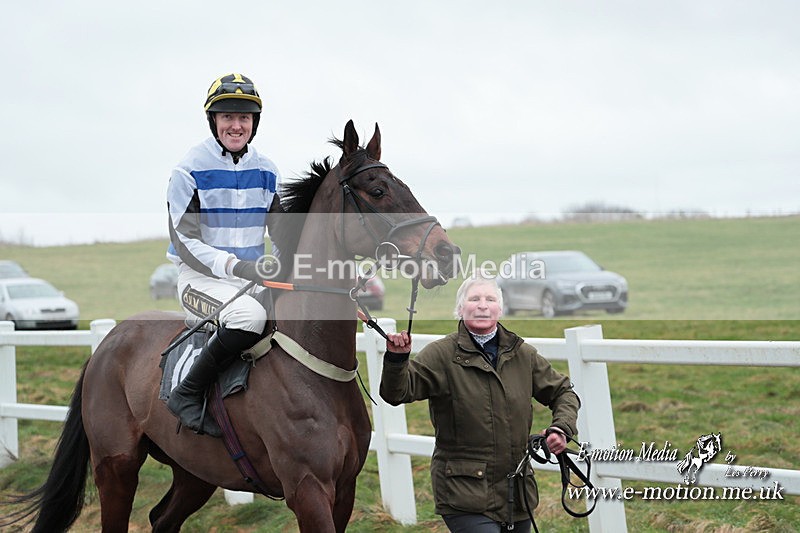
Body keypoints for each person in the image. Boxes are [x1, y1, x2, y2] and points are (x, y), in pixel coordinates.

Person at [380, 274, 581, 533]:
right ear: (460, 308)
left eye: (490, 299)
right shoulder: (441, 355)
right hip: (463, 493)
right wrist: (397, 361)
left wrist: (561, 428)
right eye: (474, 299)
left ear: (500, 308)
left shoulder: (523, 354)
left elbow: (564, 392)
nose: (483, 305)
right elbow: (397, 393)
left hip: (517, 494)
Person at [165, 73, 282, 437]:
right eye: (227, 116)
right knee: (250, 317)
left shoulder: (267, 171)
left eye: (244, 117)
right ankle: (187, 393)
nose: (236, 125)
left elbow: (282, 234)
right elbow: (185, 241)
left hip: (251, 279)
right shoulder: (188, 170)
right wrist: (237, 266)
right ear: (213, 120)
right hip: (199, 280)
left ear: (254, 123)